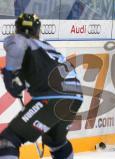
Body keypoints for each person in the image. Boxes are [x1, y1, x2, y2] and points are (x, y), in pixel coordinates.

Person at [0, 13, 83, 159]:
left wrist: (10, 75)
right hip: (75, 97)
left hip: (51, 98)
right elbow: (40, 72)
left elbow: (18, 49)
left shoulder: (17, 40)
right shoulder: (46, 47)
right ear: (37, 30)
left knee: (8, 141)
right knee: (57, 142)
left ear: (17, 28)